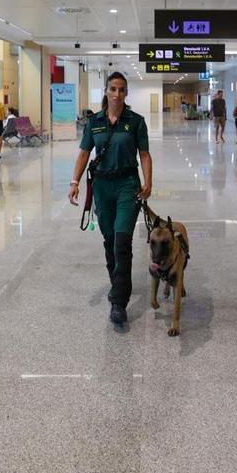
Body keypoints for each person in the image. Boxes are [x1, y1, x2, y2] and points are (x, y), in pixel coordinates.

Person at [67, 72, 153, 325]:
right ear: (106, 91)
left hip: (128, 184)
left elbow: (145, 154)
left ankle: (118, 301)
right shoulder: (94, 122)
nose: (117, 94)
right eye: (113, 89)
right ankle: (117, 280)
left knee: (122, 240)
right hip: (102, 187)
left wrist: (149, 182)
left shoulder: (136, 121)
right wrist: (75, 183)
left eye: (122, 90)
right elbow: (84, 154)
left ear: (126, 93)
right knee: (109, 239)